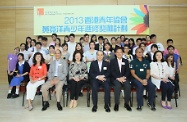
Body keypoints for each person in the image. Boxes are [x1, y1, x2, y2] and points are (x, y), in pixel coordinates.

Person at [110, 47, 132, 111]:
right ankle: (116, 104)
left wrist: (124, 77)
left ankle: (126, 103)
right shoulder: (112, 61)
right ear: (115, 53)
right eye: (118, 52)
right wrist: (118, 78)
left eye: (120, 52)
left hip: (124, 78)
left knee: (128, 86)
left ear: (122, 53)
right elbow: (112, 71)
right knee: (117, 86)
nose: (119, 53)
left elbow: (128, 71)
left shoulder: (125, 61)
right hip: (115, 78)